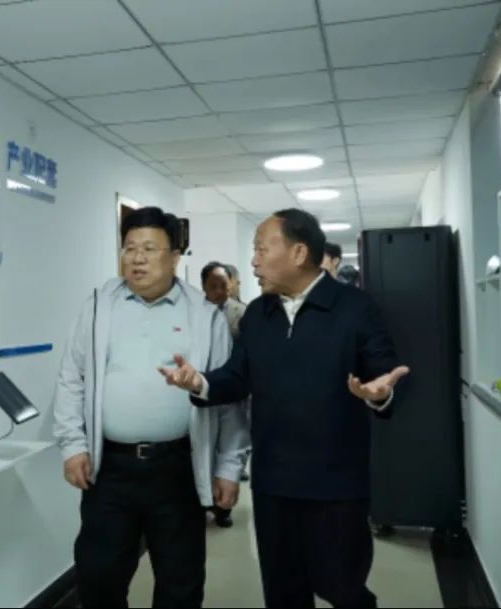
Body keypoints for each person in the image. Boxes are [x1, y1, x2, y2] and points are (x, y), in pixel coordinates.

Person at [160, 209, 410, 609]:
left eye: (262, 249)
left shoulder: (354, 307)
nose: (253, 261)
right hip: (274, 482)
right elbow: (237, 377)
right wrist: (200, 382)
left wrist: (378, 392)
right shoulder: (259, 315)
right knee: (283, 592)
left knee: (343, 589)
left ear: (298, 253)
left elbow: (384, 372)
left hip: (336, 483)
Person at [54, 207, 250, 608]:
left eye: (149, 248)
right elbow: (71, 378)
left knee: (181, 581)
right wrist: (73, 445)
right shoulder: (98, 306)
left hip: (177, 468)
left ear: (175, 256)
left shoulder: (205, 316)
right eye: (129, 248)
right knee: (98, 577)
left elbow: (227, 397)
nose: (137, 258)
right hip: (110, 469)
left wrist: (229, 467)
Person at [199, 262, 250, 528]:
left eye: (224, 285)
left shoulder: (241, 312)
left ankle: (222, 508)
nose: (220, 290)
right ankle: (206, 499)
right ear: (204, 287)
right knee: (205, 448)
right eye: (214, 286)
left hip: (232, 387)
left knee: (229, 443)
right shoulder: (195, 315)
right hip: (202, 387)